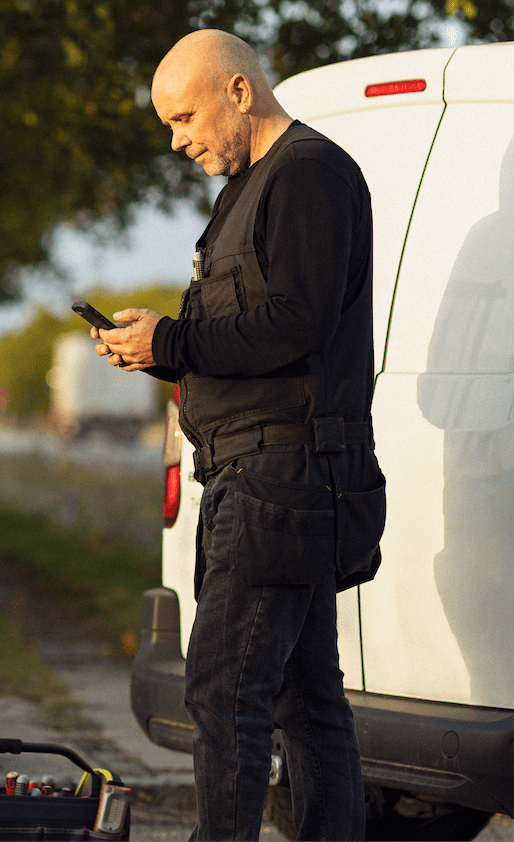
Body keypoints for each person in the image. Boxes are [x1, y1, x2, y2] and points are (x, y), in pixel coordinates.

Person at [91, 29, 386, 842]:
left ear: (239, 92)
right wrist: (156, 350)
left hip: (281, 484)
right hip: (251, 481)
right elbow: (251, 341)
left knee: (223, 694)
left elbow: (297, 322)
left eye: (184, 117)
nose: (178, 140)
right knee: (304, 699)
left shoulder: (310, 175)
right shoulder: (249, 189)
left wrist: (175, 341)